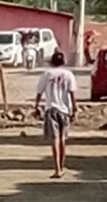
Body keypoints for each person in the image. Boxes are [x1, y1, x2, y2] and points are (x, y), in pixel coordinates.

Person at [33, 51, 77, 179]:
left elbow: (39, 92)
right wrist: (74, 109)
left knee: (55, 139)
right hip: (64, 110)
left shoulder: (46, 74)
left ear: (51, 62)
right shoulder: (68, 75)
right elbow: (72, 93)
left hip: (51, 109)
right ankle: (61, 167)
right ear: (63, 62)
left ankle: (57, 168)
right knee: (62, 139)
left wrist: (36, 106)